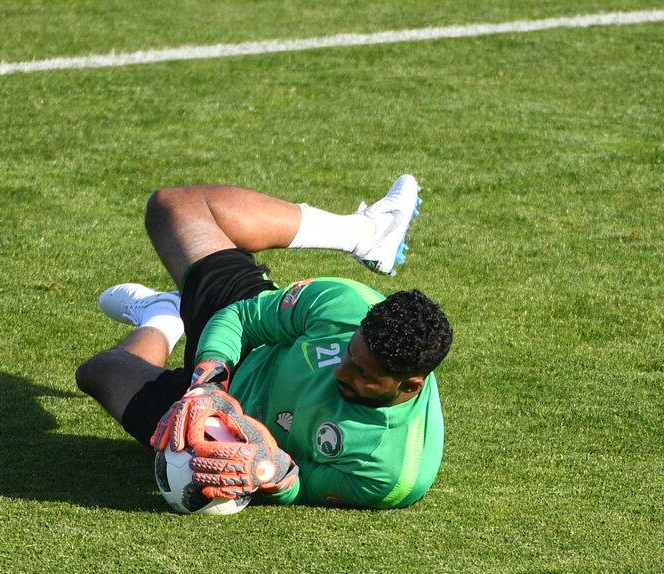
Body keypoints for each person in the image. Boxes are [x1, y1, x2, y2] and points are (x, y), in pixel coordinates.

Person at [75, 175, 452, 509]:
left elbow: (304, 484)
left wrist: (269, 472)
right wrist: (208, 386)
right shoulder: (346, 305)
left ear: (409, 385)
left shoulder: (392, 473)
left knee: (98, 372)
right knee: (172, 207)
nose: (341, 370)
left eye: (362, 373)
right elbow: (240, 317)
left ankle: (161, 316)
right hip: (240, 357)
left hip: (225, 437)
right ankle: (365, 232)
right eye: (349, 353)